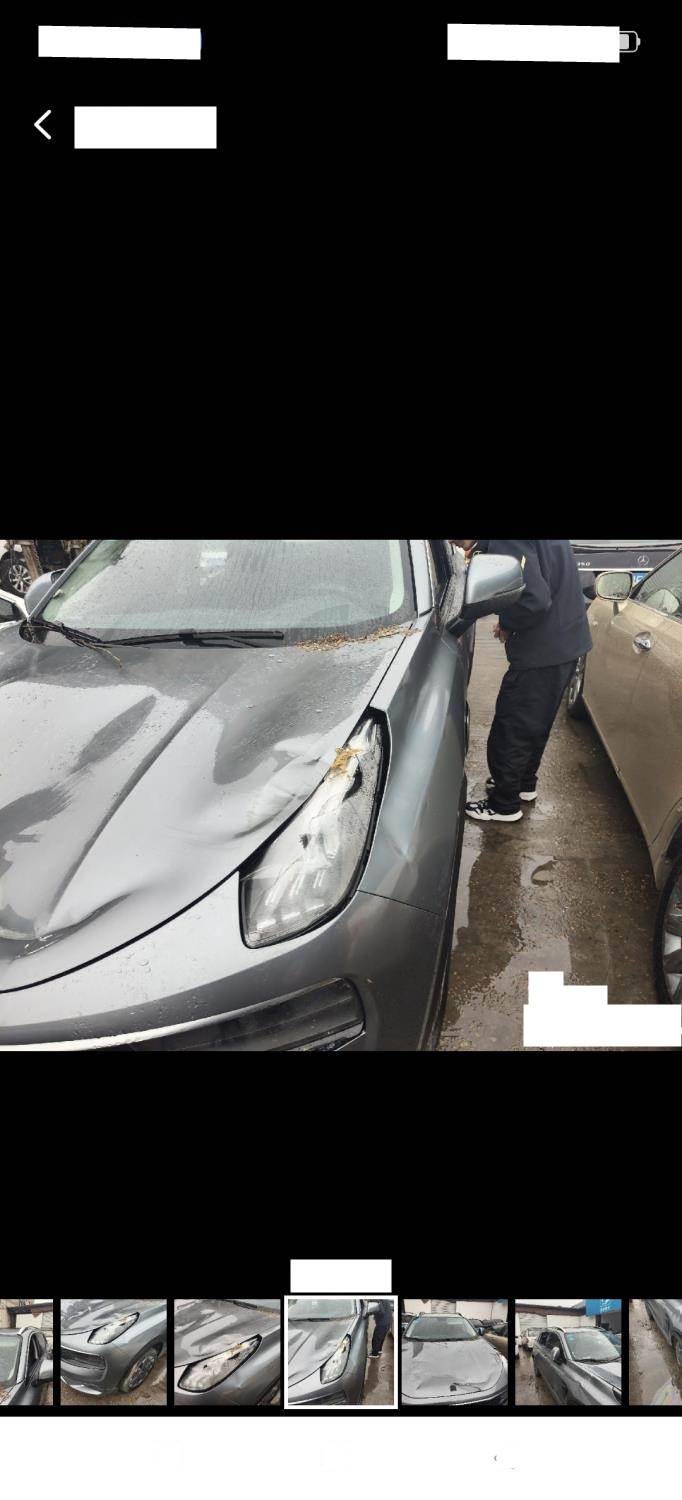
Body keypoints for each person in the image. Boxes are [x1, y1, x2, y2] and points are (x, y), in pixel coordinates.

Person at [452, 538, 592, 823]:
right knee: (535, 723)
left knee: (513, 726)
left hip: (543, 649)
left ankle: (504, 804)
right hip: (565, 642)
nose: (456, 545)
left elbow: (533, 600)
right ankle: (523, 784)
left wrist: (507, 623)